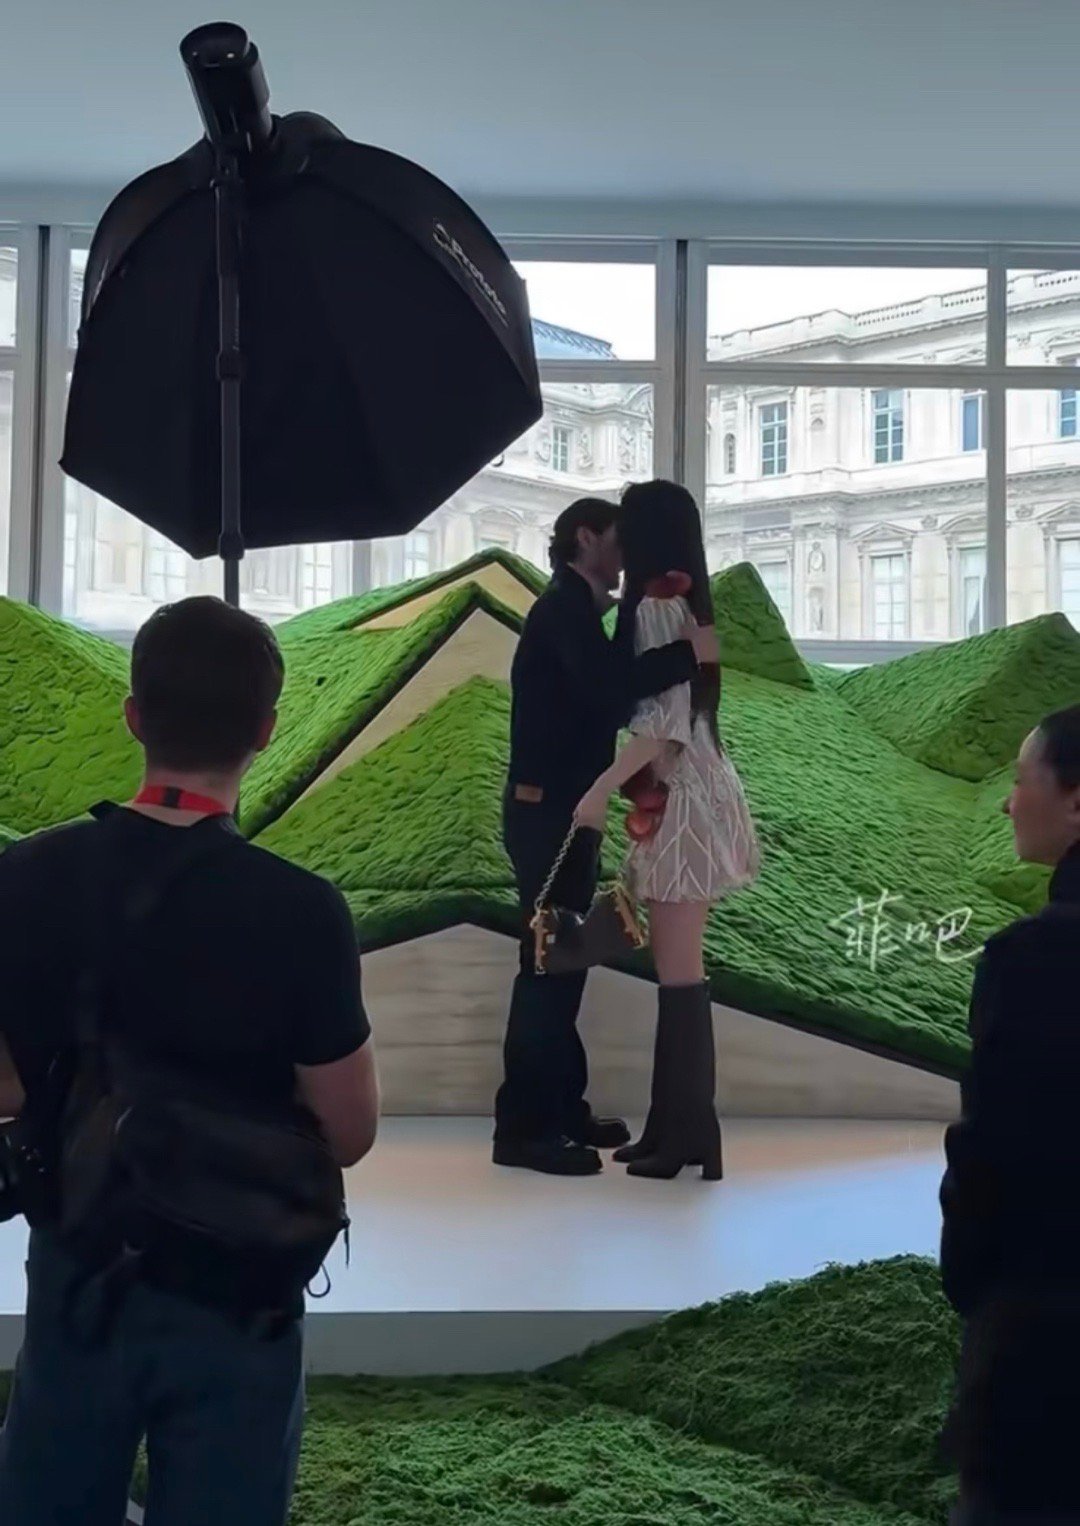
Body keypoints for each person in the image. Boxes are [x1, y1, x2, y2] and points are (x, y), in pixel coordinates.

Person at [0, 597, 379, 1526]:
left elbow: (3, 1086)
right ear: (265, 730)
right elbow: (348, 1131)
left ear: (134, 715)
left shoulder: (27, 876)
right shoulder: (304, 910)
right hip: (240, 1280)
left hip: (79, 1260)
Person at [493, 496, 720, 1176]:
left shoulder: (583, 611)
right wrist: (687, 653)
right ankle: (525, 1131)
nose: (628, 553)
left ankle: (561, 1108)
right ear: (586, 538)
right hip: (549, 810)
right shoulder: (562, 609)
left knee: (564, 960)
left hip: (562, 809)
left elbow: (610, 690)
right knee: (547, 965)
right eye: (620, 538)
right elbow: (608, 691)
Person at [574, 480, 760, 1181]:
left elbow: (661, 727)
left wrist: (597, 792)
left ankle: (685, 1134)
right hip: (697, 791)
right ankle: (679, 1132)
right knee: (679, 972)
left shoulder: (655, 607)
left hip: (683, 799)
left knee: (678, 973)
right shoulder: (688, 607)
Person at [940, 705, 1080, 1526]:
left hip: (1040, 1339)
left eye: (1023, 780)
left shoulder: (1031, 962)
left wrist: (974, 1286)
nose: (1007, 801)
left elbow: (989, 1154)